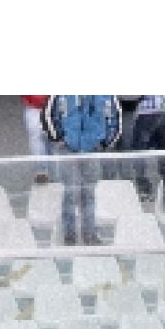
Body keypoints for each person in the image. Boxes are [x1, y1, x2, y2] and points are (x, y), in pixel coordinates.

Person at [41, 95, 122, 246]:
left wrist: (105, 142)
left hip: (92, 150)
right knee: (70, 193)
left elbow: (115, 117)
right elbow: (47, 114)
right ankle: (70, 237)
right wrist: (59, 138)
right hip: (68, 150)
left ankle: (90, 235)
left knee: (89, 194)